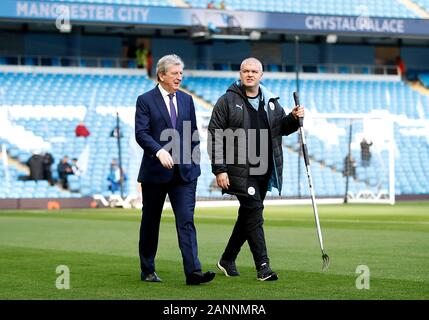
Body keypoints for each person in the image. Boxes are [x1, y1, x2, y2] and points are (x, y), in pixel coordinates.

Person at [207, 57, 304, 281]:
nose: (249, 74)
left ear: (261, 75)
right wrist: (219, 169)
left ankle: (227, 259)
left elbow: (282, 128)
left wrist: (294, 118)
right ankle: (263, 267)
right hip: (239, 170)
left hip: (265, 169)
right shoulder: (227, 101)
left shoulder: (271, 102)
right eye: (245, 71)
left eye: (254, 71)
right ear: (240, 74)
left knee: (249, 214)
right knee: (255, 214)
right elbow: (214, 135)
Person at [135, 54, 215, 285]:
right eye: (175, 73)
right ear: (161, 75)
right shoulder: (145, 100)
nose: (179, 77)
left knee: (186, 221)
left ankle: (193, 272)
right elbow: (141, 133)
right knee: (151, 221)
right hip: (155, 172)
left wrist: (194, 163)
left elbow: (192, 135)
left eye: (181, 73)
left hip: (185, 173)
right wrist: (159, 151)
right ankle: (148, 270)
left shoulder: (187, 100)